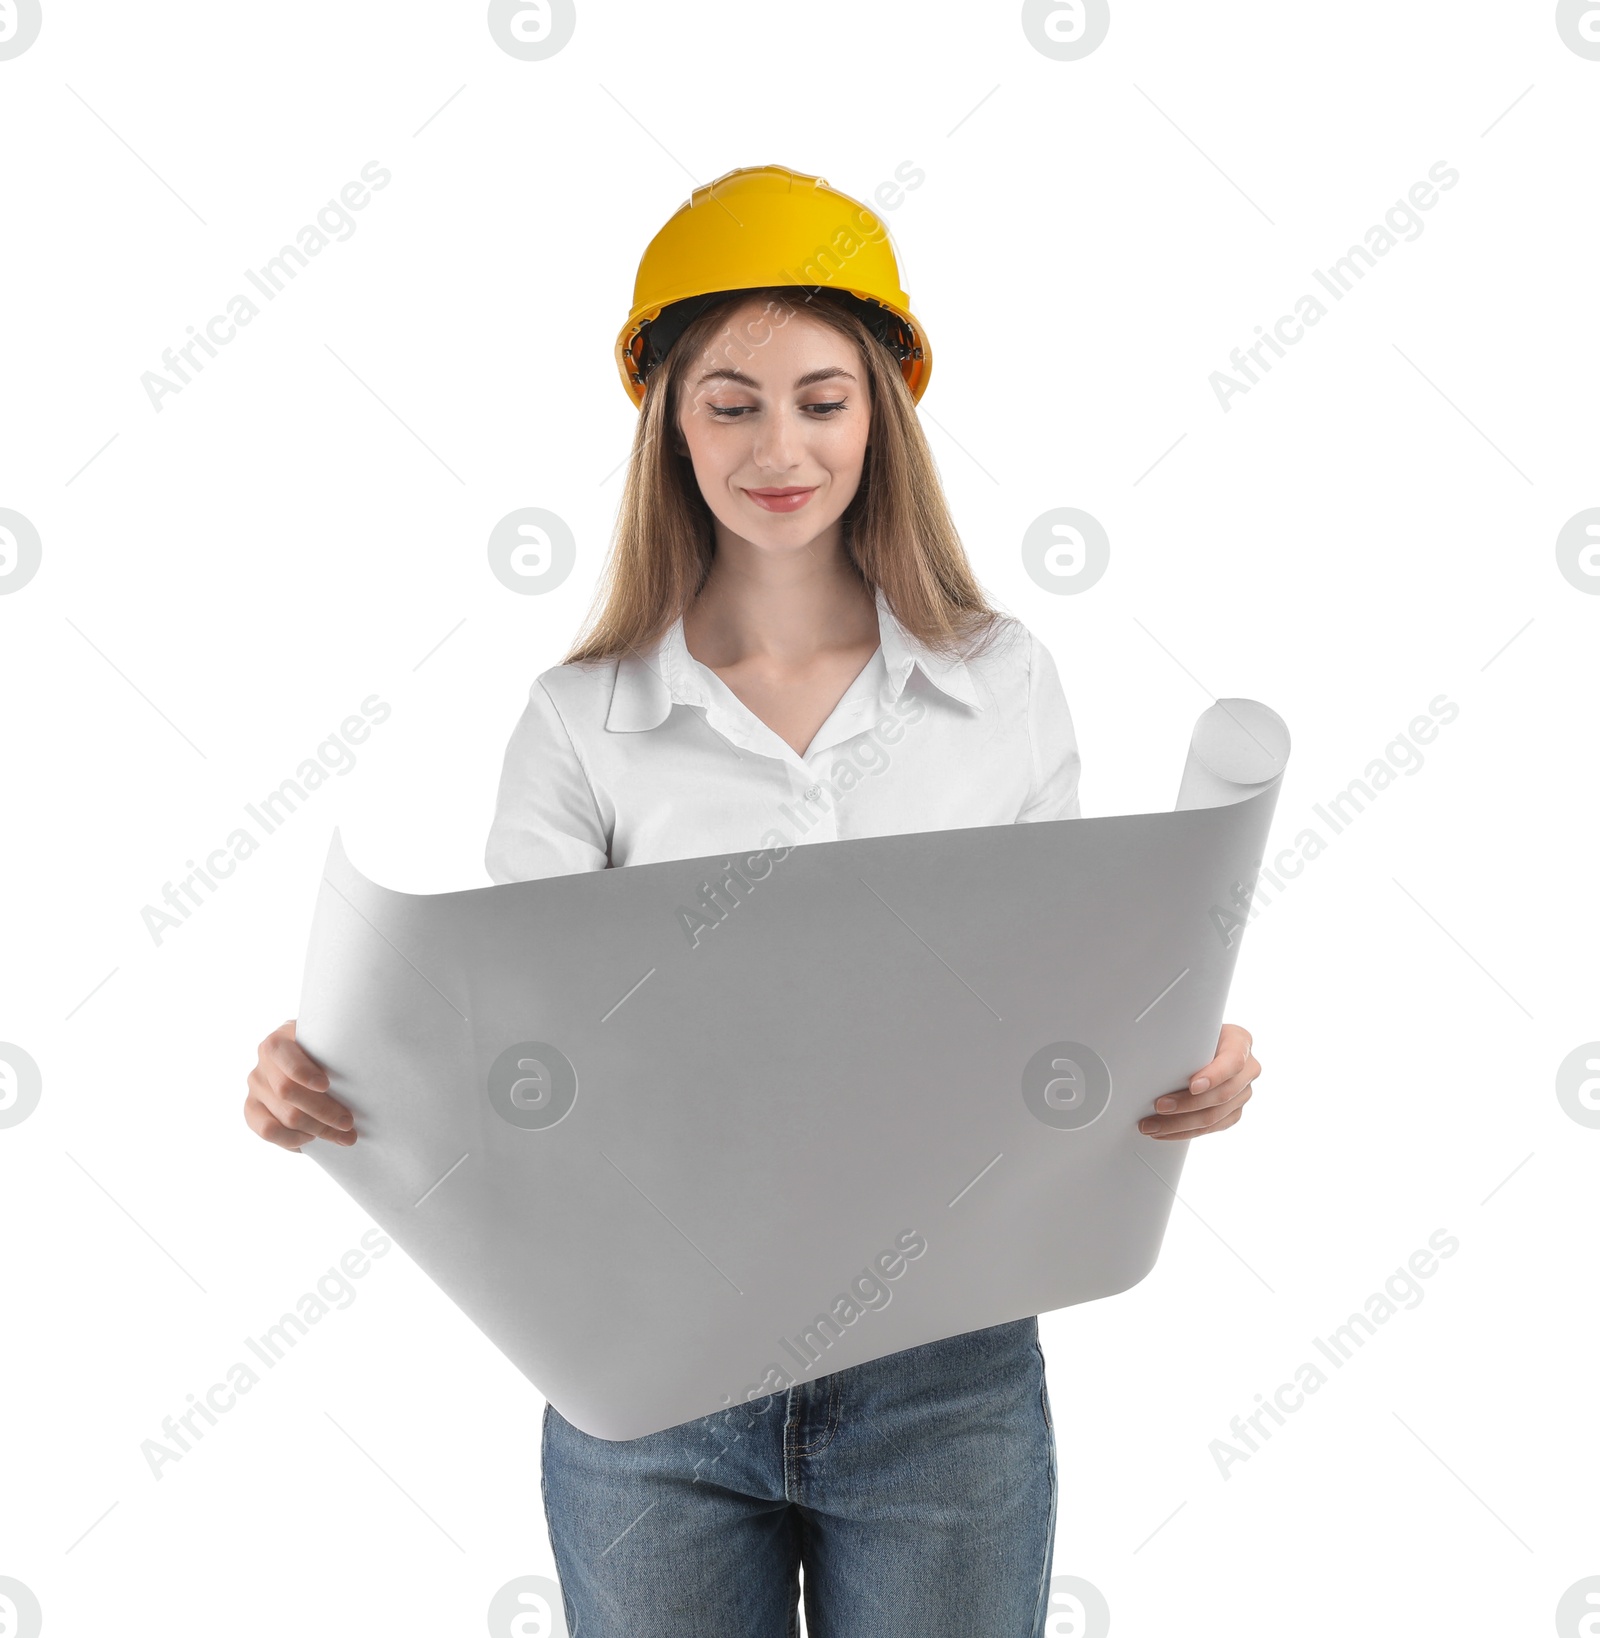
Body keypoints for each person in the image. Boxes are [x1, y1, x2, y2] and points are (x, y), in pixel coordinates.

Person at [244, 164, 1262, 1638]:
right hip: (646, 1378)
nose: (779, 445)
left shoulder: (1002, 685)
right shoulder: (583, 718)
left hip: (947, 1371)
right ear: (668, 422)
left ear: (882, 415)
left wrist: (1186, 1061)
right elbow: (515, 1049)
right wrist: (330, 1069)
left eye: (821, 398)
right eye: (730, 402)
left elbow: (1072, 996)